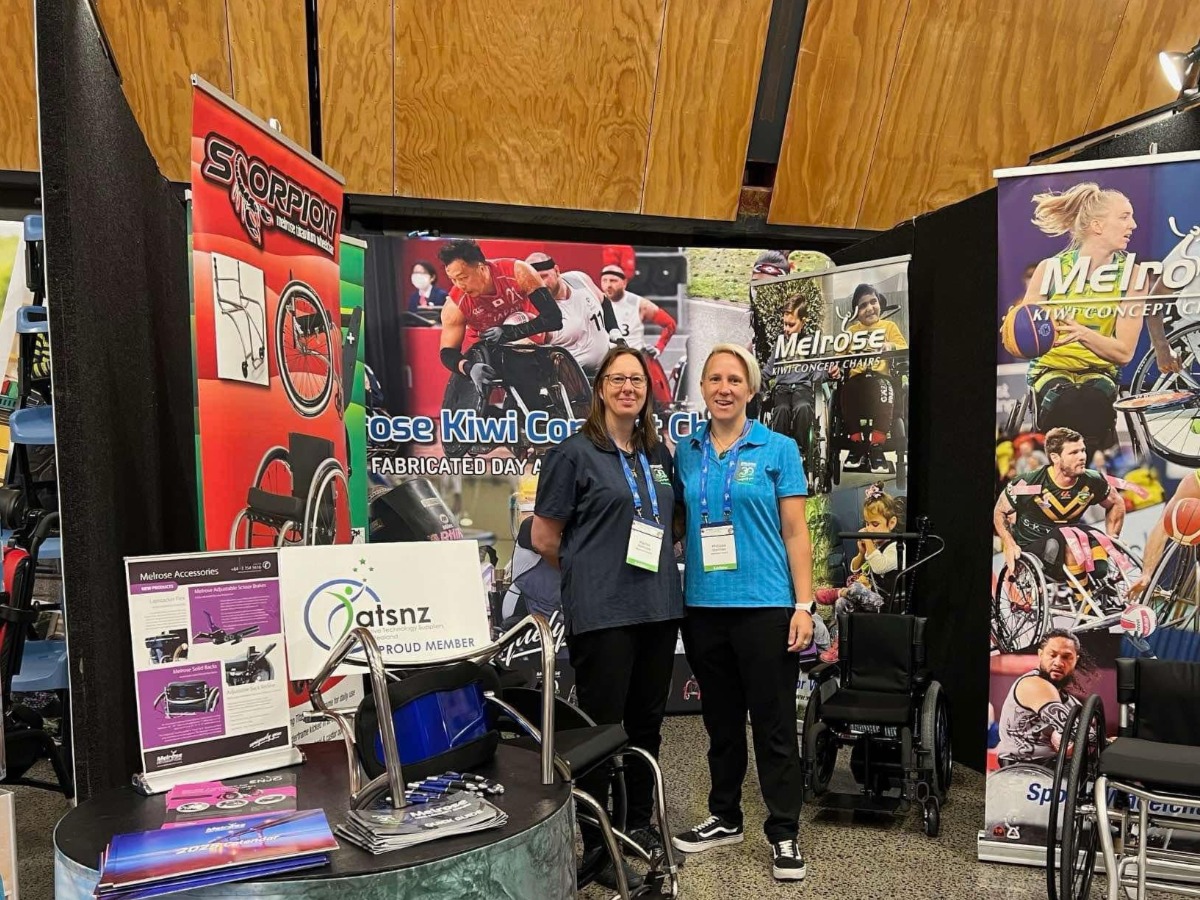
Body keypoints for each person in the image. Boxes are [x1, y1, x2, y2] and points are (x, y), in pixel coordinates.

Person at [531, 347, 683, 890]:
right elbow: (544, 537)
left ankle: (639, 825)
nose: (627, 388)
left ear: (646, 390)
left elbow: (671, 524)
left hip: (659, 609)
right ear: (600, 388)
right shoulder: (574, 453)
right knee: (601, 731)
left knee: (647, 725)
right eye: (617, 379)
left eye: (636, 380)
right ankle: (599, 839)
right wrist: (590, 570)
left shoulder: (658, 455)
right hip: (603, 613)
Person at [671, 343, 816, 882]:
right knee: (721, 724)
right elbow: (680, 524)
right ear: (703, 389)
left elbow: (796, 533)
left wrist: (803, 604)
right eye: (715, 379)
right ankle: (724, 814)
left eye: (735, 379)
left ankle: (783, 832)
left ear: (751, 389)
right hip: (704, 608)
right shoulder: (686, 450)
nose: (724, 388)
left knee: (775, 725)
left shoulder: (778, 448)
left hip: (766, 607)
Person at [1018, 184, 1158, 457]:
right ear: (1097, 225)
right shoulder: (1050, 269)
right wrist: (1019, 330)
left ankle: (1087, 475)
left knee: (1092, 399)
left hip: (1100, 373)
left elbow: (1124, 353)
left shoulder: (1133, 275)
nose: (1134, 224)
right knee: (1065, 400)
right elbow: (1021, 338)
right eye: (1124, 216)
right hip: (1050, 371)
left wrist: (1082, 333)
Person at [436, 239, 563, 414]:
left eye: (463, 277)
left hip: (528, 332)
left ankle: (528, 411)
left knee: (520, 354)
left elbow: (554, 318)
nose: (460, 285)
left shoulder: (517, 272)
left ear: (481, 268)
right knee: (466, 395)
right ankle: (497, 417)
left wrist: (508, 333)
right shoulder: (455, 306)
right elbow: (447, 352)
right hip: (489, 349)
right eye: (453, 279)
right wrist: (468, 368)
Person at [993, 426, 1125, 595]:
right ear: (1055, 457)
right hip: (1035, 547)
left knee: (1096, 551)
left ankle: (1099, 586)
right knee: (1068, 536)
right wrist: (1009, 544)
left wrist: (1112, 537)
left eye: (1083, 450)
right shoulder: (1029, 483)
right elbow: (999, 511)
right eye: (1073, 453)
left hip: (1072, 539)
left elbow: (1116, 502)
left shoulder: (1092, 480)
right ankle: (1084, 604)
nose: (1082, 457)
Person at [815, 482, 901, 663]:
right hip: (866, 596)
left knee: (851, 589)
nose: (869, 528)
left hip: (883, 602)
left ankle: (839, 591)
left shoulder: (896, 547)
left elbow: (879, 566)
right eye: (867, 524)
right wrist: (862, 553)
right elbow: (856, 567)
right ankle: (840, 642)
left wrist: (869, 543)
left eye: (875, 524)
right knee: (840, 603)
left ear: (891, 523)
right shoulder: (873, 547)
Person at [765, 296, 839, 466]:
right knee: (781, 410)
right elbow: (768, 370)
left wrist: (828, 372)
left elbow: (817, 369)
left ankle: (799, 450)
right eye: (784, 324)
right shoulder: (780, 343)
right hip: (782, 389)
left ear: (802, 322)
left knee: (803, 408)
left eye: (791, 325)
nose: (786, 329)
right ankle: (780, 451)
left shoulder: (811, 343)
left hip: (802, 388)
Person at [994, 630, 1083, 768]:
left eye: (1066, 657)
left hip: (1055, 771)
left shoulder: (1072, 702)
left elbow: (1084, 739)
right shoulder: (1033, 684)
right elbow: (1076, 731)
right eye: (1052, 655)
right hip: (1021, 772)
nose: (1058, 663)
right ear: (1040, 655)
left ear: (1076, 660)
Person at [526, 252, 616, 375]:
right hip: (576, 382)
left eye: (544, 276)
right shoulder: (536, 311)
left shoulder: (579, 279)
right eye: (534, 281)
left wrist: (614, 330)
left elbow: (604, 300)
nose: (540, 285)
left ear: (557, 271)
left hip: (609, 367)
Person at [599, 265, 677, 357]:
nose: (608, 285)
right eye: (604, 280)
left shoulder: (640, 304)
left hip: (635, 358)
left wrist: (658, 347)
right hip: (606, 359)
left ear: (624, 283)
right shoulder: (595, 302)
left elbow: (670, 324)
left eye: (613, 281)